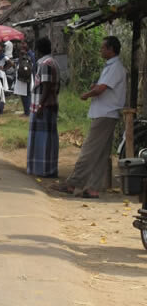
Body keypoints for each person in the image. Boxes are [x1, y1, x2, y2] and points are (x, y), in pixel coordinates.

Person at [53, 36, 126, 198]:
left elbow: (101, 89)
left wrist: (87, 94)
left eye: (103, 48)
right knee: (101, 154)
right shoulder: (112, 67)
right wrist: (96, 88)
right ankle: (93, 188)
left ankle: (73, 183)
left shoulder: (115, 67)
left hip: (105, 114)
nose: (101, 51)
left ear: (111, 49)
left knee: (89, 150)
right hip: (107, 113)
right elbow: (104, 87)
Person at [26, 37, 61, 178]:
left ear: (38, 50)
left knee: (43, 140)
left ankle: (42, 169)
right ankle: (46, 167)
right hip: (48, 104)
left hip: (43, 106)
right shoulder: (53, 62)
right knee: (48, 139)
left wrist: (40, 105)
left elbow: (46, 86)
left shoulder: (45, 64)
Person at [13, 40, 36, 116]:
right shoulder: (22, 54)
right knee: (23, 94)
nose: (21, 45)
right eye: (21, 44)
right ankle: (26, 111)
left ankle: (28, 112)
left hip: (27, 77)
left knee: (27, 94)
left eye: (23, 43)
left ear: (27, 45)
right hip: (22, 77)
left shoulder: (30, 55)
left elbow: (32, 67)